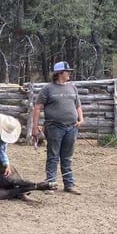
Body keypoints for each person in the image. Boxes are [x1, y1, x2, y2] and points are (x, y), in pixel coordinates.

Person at [31, 61, 84, 195]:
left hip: (71, 127)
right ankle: (50, 183)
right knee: (53, 156)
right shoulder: (48, 89)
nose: (69, 74)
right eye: (67, 71)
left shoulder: (72, 87)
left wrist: (80, 119)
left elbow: (77, 105)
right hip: (54, 127)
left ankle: (69, 184)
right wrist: (34, 127)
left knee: (67, 156)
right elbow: (37, 108)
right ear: (59, 73)